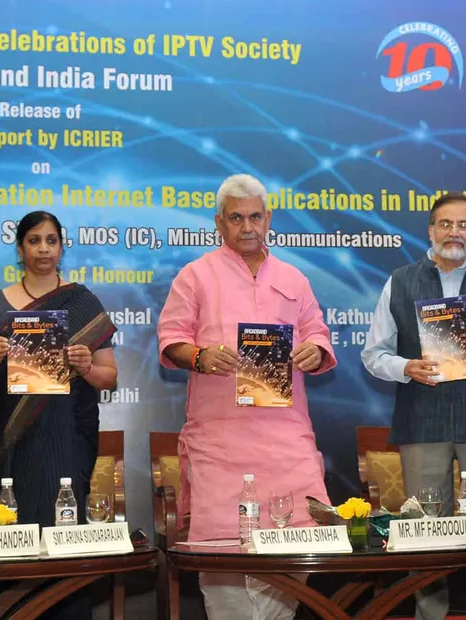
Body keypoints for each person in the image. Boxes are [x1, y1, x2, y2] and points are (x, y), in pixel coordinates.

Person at [157, 173, 336, 619]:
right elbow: (171, 339)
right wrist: (199, 357)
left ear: (268, 218)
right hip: (220, 442)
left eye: (255, 216)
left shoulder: (294, 279)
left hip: (286, 440)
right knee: (220, 557)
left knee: (298, 547)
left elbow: (317, 332)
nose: (247, 226)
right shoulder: (194, 275)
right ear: (220, 223)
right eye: (236, 218)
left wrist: (316, 350)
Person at [361, 193, 466, 620]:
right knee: (425, 529)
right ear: (430, 231)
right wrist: (407, 367)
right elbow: (373, 354)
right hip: (424, 419)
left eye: (464, 225)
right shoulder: (400, 281)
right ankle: (429, 615)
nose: (454, 232)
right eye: (445, 224)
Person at [0, 210, 117, 620]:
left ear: (62, 246)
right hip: (10, 443)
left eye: (51, 240)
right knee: (13, 539)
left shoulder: (83, 302)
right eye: (34, 240)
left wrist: (85, 367)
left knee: (63, 537)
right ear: (20, 248)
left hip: (66, 438)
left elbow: (109, 379)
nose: (43, 249)